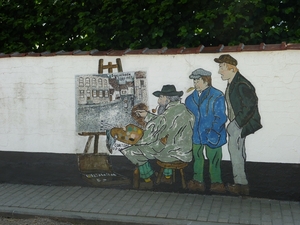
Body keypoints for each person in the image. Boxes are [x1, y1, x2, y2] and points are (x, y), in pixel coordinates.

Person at [121, 85, 194, 189]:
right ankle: (167, 176)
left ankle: (148, 178)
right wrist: (147, 115)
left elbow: (156, 131)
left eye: (160, 97)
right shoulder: (181, 109)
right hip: (183, 151)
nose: (159, 100)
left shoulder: (171, 112)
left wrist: (138, 140)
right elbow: (163, 122)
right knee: (160, 145)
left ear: (167, 98)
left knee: (132, 150)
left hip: (173, 152)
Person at [214, 54, 262, 195]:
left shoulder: (241, 84)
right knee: (238, 152)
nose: (219, 71)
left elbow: (250, 105)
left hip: (241, 123)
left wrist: (236, 124)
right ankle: (241, 184)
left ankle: (240, 184)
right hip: (237, 122)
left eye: (222, 67)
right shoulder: (233, 82)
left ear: (232, 68)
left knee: (235, 152)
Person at [185, 68, 227, 194]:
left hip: (213, 134)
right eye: (194, 81)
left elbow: (220, 116)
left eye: (198, 81)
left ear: (206, 80)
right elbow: (187, 116)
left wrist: (213, 131)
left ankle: (216, 182)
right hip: (196, 134)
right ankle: (197, 181)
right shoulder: (189, 99)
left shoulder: (217, 95)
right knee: (197, 157)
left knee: (214, 158)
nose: (195, 84)